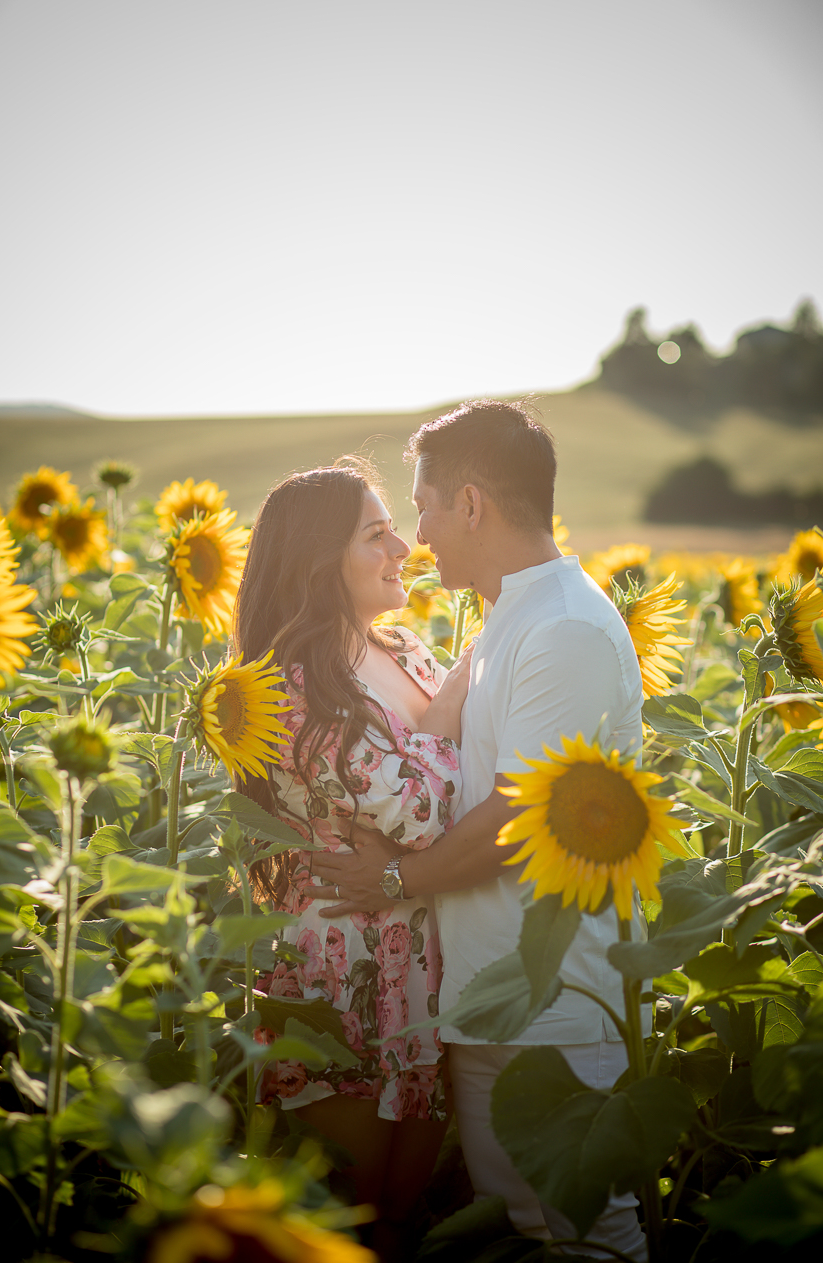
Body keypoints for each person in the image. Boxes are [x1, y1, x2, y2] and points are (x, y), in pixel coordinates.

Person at [309, 401, 649, 1262]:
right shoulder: (510, 621)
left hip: (554, 995)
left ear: (469, 504)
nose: (416, 536)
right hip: (497, 990)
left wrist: (392, 882)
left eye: (420, 507)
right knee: (525, 1225)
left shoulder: (562, 628)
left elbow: (518, 816)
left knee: (587, 1235)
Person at [232, 462, 472, 1259]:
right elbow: (424, 810)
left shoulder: (402, 649)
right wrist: (458, 712)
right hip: (345, 968)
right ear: (317, 560)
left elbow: (455, 792)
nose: (402, 545)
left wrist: (440, 761)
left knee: (403, 1217)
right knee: (343, 1225)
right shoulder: (298, 684)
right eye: (376, 534)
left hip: (425, 961)